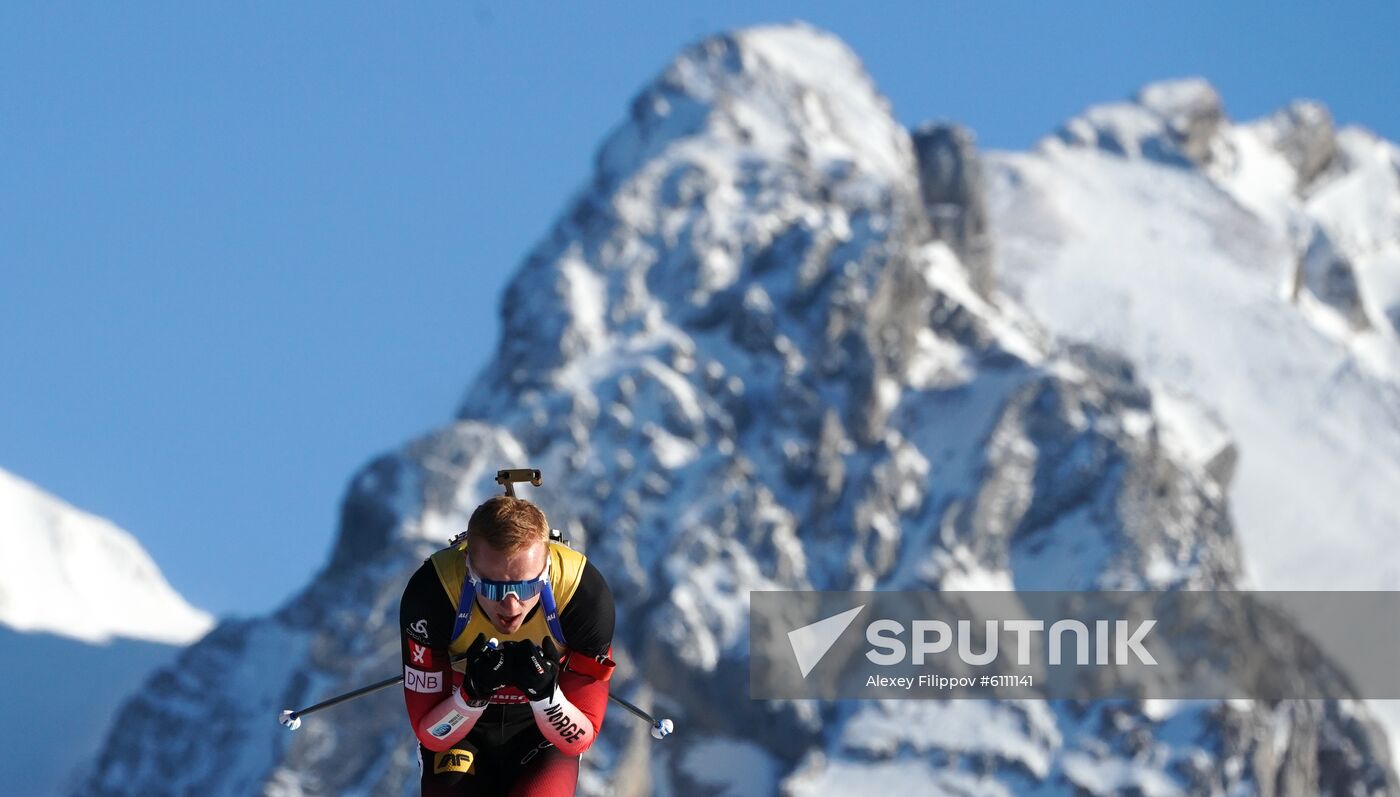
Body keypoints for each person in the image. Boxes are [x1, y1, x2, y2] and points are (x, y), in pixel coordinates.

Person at [399, 495, 616, 796]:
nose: (511, 606)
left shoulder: (582, 594)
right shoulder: (434, 592)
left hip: (542, 735)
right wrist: (472, 695)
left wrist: (546, 696)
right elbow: (432, 733)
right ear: (468, 567)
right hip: (462, 731)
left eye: (528, 586)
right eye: (492, 587)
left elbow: (580, 736)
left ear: (547, 566)